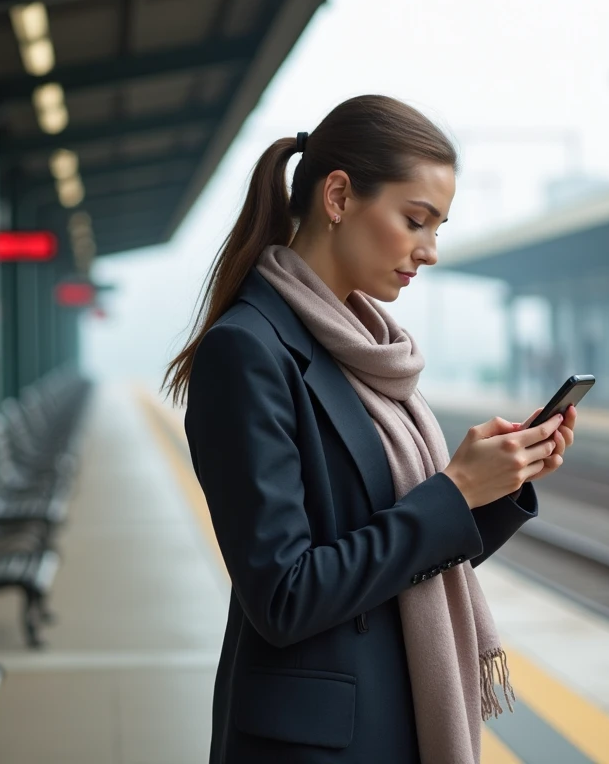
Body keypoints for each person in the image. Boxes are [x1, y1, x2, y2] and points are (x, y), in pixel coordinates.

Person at [164, 95, 576, 764]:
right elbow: (285, 595)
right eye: (417, 220)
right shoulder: (248, 352)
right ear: (337, 197)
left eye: (438, 227)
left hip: (393, 713)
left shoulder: (366, 351)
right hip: (317, 745)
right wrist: (452, 493)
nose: (431, 251)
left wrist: (493, 488)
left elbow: (401, 551)